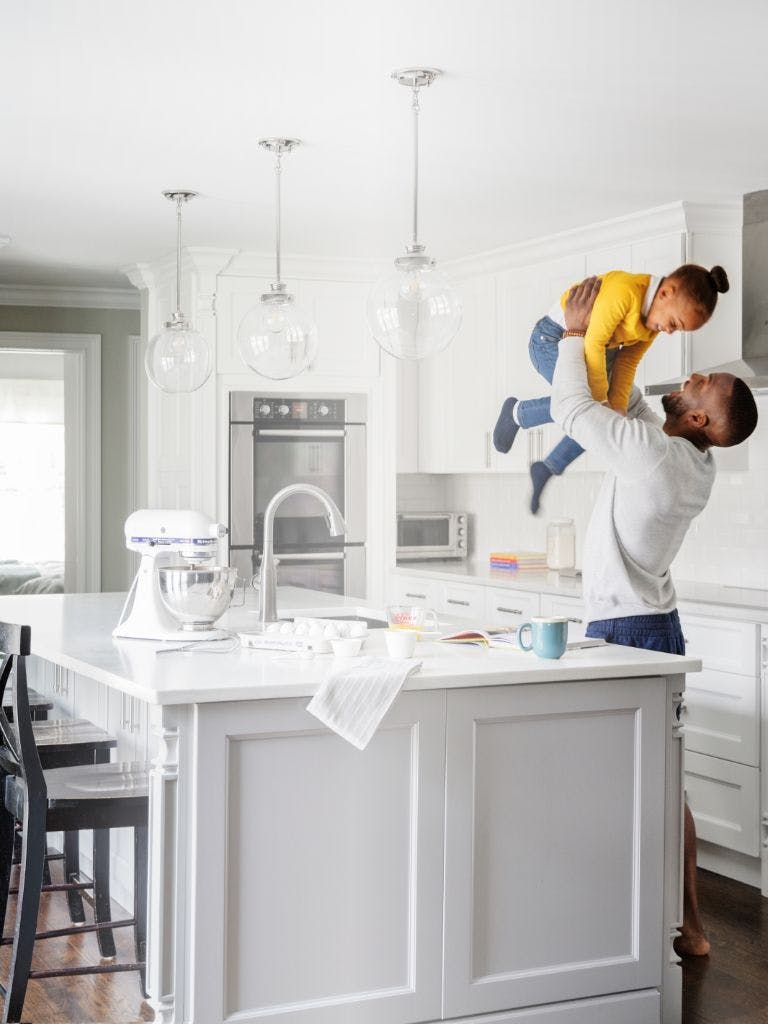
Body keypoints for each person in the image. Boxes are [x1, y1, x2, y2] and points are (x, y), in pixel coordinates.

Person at [552, 275, 758, 957]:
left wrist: (577, 336)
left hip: (627, 632)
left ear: (698, 419)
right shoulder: (689, 458)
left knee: (614, 787)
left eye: (696, 385)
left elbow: (573, 411)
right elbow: (635, 402)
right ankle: (689, 927)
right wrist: (626, 339)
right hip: (656, 625)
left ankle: (615, 929)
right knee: (668, 788)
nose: (689, 377)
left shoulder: (656, 459)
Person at [493, 264, 731, 514]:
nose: (670, 331)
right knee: (583, 410)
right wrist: (600, 408)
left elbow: (627, 361)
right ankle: (516, 413)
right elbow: (594, 342)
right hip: (554, 338)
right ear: (665, 293)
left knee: (600, 422)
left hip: (598, 349)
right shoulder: (625, 293)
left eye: (678, 329)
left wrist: (616, 408)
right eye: (674, 322)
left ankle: (548, 467)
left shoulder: (653, 324)